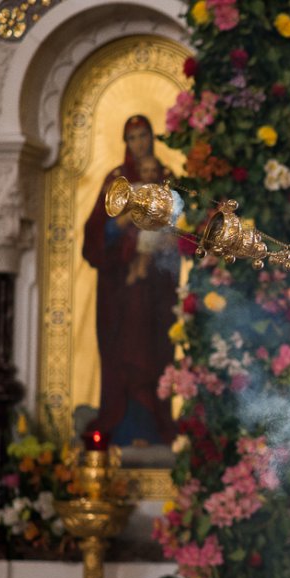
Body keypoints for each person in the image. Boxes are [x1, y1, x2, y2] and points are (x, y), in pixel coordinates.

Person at [82, 114, 177, 448]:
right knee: (123, 355)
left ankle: (153, 430)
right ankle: (121, 430)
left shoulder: (165, 179)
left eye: (144, 136)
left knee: (154, 354)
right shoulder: (116, 182)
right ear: (126, 143)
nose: (139, 143)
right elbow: (95, 235)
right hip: (120, 290)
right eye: (133, 137)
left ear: (152, 138)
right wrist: (120, 224)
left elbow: (180, 230)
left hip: (157, 290)